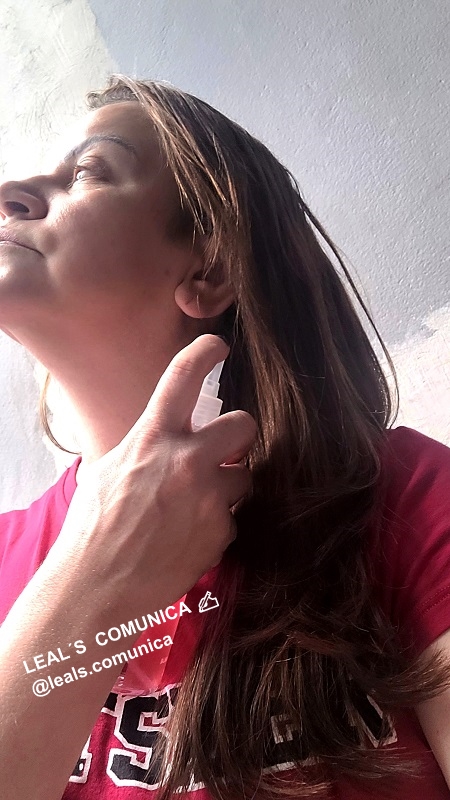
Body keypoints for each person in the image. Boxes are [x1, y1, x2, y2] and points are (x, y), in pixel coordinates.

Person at [0, 74, 449, 800]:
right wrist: (92, 576)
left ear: (208, 271)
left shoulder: (407, 497)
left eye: (88, 171)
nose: (10, 191)